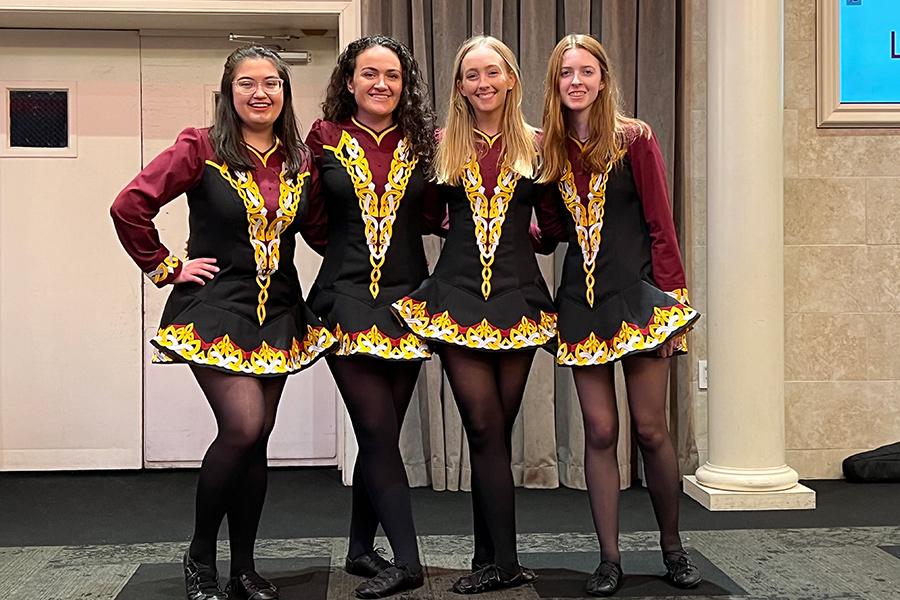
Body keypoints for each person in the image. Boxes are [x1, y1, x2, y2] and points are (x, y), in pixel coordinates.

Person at [110, 45, 335, 600]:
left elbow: (325, 233)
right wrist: (167, 267)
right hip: (215, 308)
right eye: (247, 83)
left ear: (285, 92)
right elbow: (129, 206)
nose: (260, 93)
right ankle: (200, 556)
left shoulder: (300, 159)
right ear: (227, 92)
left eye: (272, 84)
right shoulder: (200, 147)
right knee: (241, 426)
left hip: (279, 312)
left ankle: (244, 567)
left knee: (257, 439)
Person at [534, 34, 702, 596]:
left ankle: (673, 551)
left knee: (651, 428)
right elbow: (558, 229)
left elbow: (661, 225)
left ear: (603, 79)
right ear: (554, 84)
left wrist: (673, 307)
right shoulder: (552, 152)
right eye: (565, 73)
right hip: (581, 308)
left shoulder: (635, 139)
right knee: (600, 430)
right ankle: (609, 558)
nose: (575, 81)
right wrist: (534, 231)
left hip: (640, 302)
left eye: (585, 71)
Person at [392, 35, 556, 595]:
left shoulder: (539, 145)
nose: (481, 84)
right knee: (484, 427)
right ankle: (502, 561)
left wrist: (530, 236)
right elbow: (428, 214)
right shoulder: (441, 144)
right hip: (457, 300)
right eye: (470, 76)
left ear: (511, 77)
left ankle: (492, 557)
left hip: (519, 302)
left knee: (495, 435)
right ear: (460, 86)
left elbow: (554, 224)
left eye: (491, 73)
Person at [300, 35, 439, 599]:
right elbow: (309, 214)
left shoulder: (424, 143)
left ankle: (361, 548)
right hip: (346, 301)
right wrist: (347, 256)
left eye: (392, 75)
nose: (380, 84)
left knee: (377, 432)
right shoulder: (324, 138)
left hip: (406, 302)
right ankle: (408, 561)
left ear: (405, 86)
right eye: (368, 74)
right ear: (349, 81)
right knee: (379, 431)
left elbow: (434, 216)